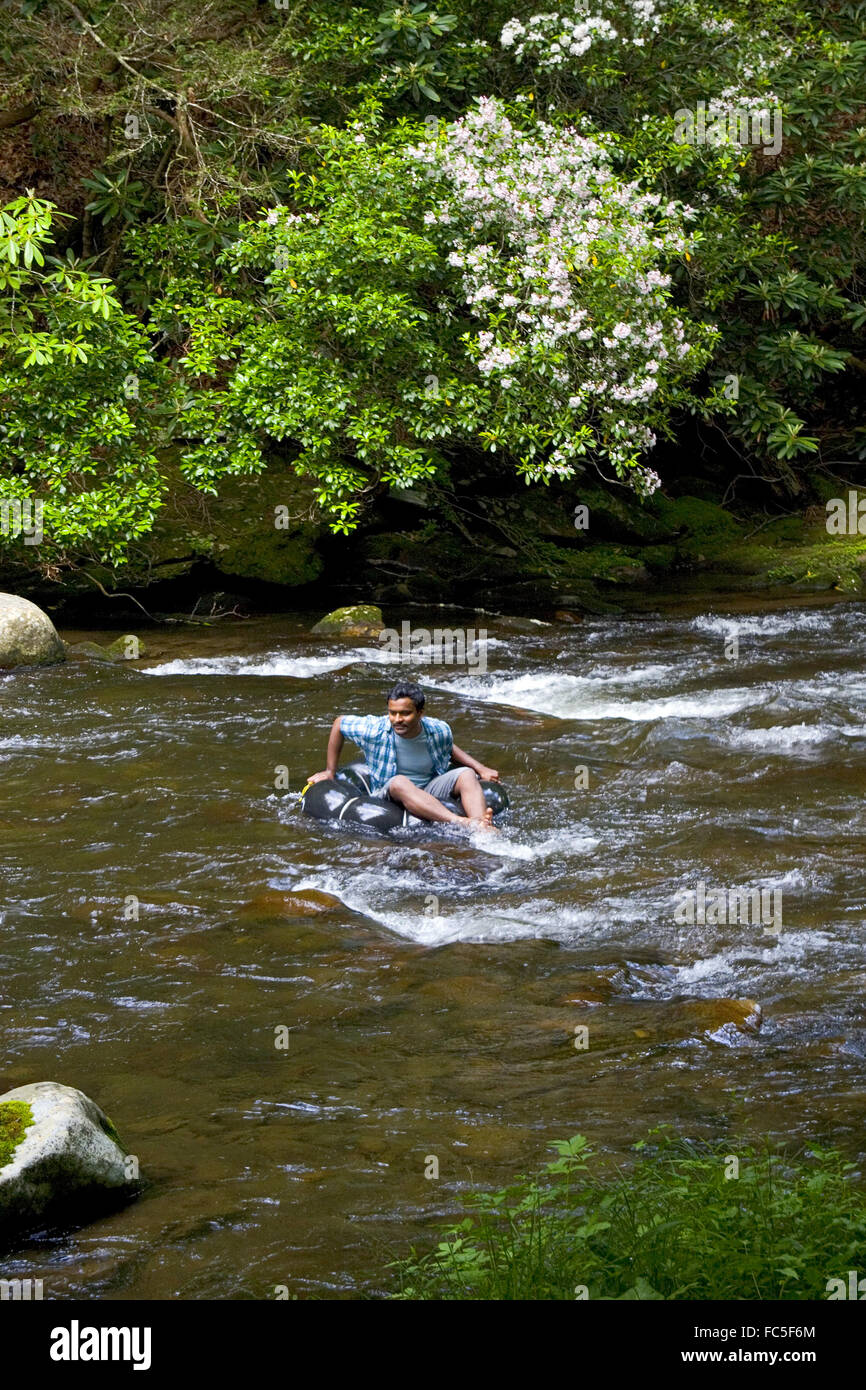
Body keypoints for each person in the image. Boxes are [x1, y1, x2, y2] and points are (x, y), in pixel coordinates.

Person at [307, 680, 500, 832]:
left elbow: (448, 747)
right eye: (393, 713)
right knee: (399, 781)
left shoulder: (439, 730)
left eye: (405, 714)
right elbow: (339, 724)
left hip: (428, 787)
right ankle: (461, 822)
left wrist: (480, 768)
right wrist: (329, 770)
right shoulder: (374, 729)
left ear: (420, 713)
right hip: (389, 791)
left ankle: (480, 827)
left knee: (466, 773)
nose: (397, 720)